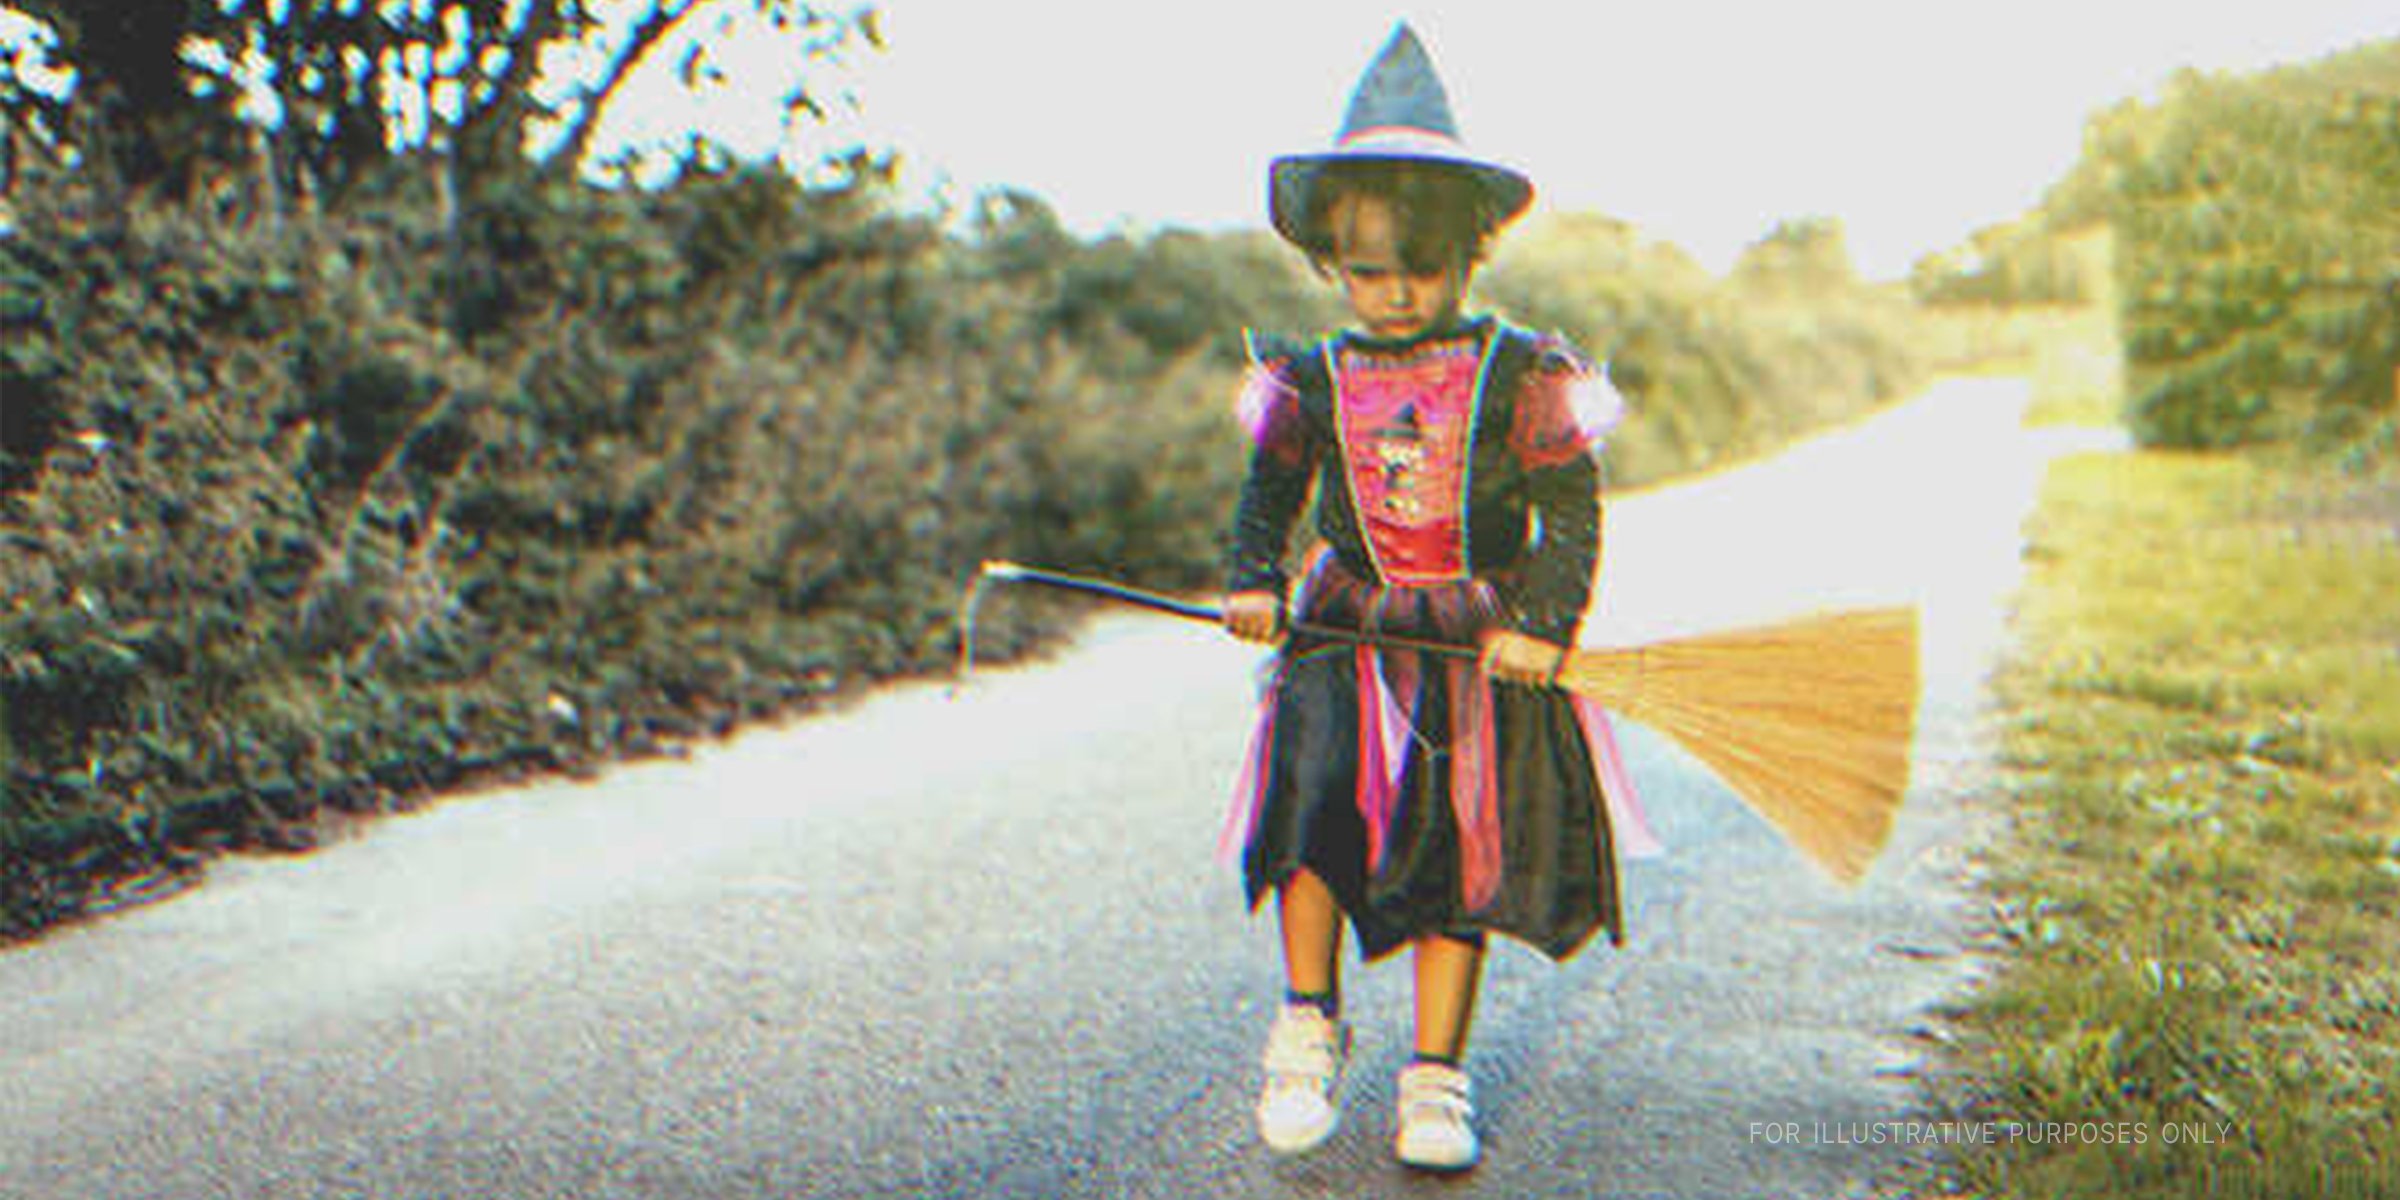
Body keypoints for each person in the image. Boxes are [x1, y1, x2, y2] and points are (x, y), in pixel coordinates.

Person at [1217, 23, 1649, 1174]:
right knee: (1310, 813)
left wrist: (1544, 629)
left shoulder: (1522, 373)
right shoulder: (1310, 376)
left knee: (1459, 848)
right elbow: (1268, 501)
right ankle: (1308, 1019)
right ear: (1328, 262)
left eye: (1422, 265)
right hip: (1337, 634)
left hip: (1471, 643)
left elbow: (1575, 513)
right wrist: (1255, 583)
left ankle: (1435, 1076)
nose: (1396, 292)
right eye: (1368, 269)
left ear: (1469, 254)